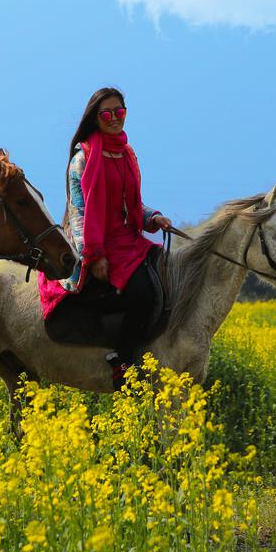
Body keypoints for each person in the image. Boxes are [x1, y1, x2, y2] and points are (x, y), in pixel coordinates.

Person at [38, 87, 172, 389]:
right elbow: (78, 213)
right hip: (93, 239)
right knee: (143, 293)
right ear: (95, 118)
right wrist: (94, 255)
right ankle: (121, 361)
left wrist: (153, 217)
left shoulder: (127, 153)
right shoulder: (82, 158)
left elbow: (131, 204)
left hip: (125, 238)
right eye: (107, 113)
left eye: (119, 111)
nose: (114, 118)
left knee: (163, 272)